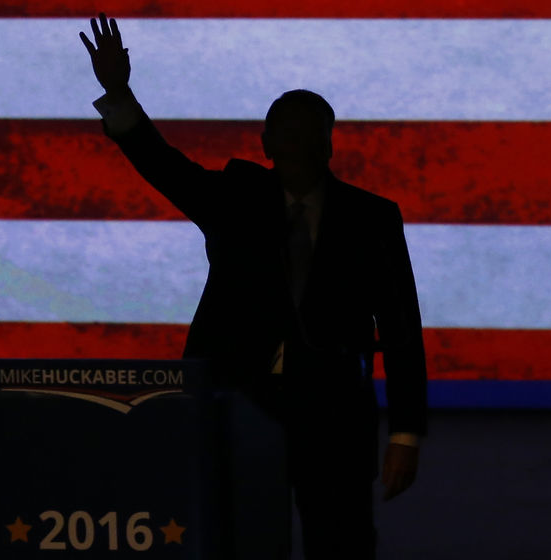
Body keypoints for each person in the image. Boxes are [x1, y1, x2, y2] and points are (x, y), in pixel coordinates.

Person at [80, 14, 428, 558]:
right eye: (283, 132)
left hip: (334, 417)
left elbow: (402, 328)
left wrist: (406, 432)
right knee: (239, 542)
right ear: (265, 143)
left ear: (328, 144)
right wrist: (119, 93)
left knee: (341, 544)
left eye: (305, 133)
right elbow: (161, 164)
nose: (292, 144)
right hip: (237, 407)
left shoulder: (371, 217)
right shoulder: (234, 198)